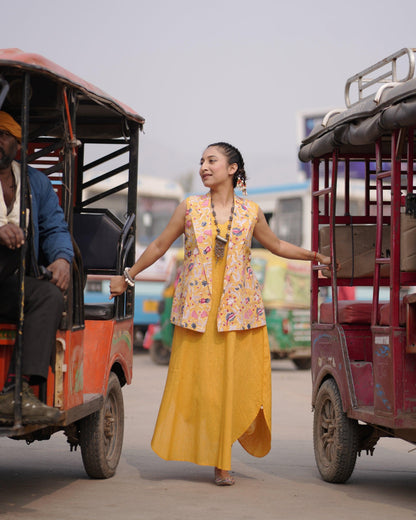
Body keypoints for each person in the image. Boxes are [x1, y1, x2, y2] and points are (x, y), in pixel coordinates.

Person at [110, 142, 332, 486]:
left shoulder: (251, 211)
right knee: (204, 387)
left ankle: (222, 461)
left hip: (237, 311)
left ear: (232, 169)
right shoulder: (189, 208)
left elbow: (276, 246)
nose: (203, 167)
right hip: (197, 312)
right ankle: (207, 451)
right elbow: (158, 245)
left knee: (232, 385)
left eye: (211, 161)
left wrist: (314, 256)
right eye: (201, 161)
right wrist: (129, 276)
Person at [0, 111, 74, 424]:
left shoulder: (35, 182)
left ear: (18, 144)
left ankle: (17, 392)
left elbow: (55, 226)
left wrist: (61, 258)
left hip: (11, 282)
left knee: (48, 295)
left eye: (3, 135)